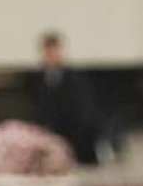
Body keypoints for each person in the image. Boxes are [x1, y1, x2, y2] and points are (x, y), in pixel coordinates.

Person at [32, 31, 102, 166]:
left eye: (54, 52)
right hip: (48, 131)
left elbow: (82, 112)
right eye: (48, 53)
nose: (51, 56)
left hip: (72, 133)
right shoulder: (38, 78)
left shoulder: (75, 79)